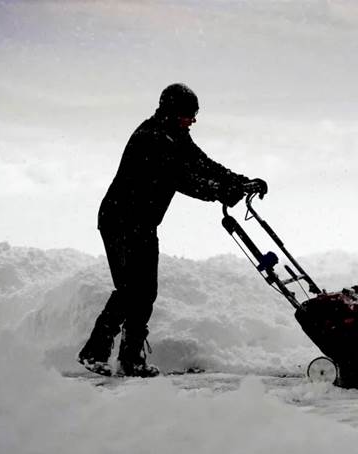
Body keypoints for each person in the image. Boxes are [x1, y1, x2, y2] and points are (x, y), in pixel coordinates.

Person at [77, 83, 267, 377]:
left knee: (144, 291)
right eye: (188, 114)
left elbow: (202, 164)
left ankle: (130, 360)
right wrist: (220, 192)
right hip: (120, 220)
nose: (193, 120)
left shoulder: (175, 136)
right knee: (131, 290)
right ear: (172, 111)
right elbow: (182, 178)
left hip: (141, 223)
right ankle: (95, 352)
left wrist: (241, 182)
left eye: (194, 114)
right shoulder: (150, 138)